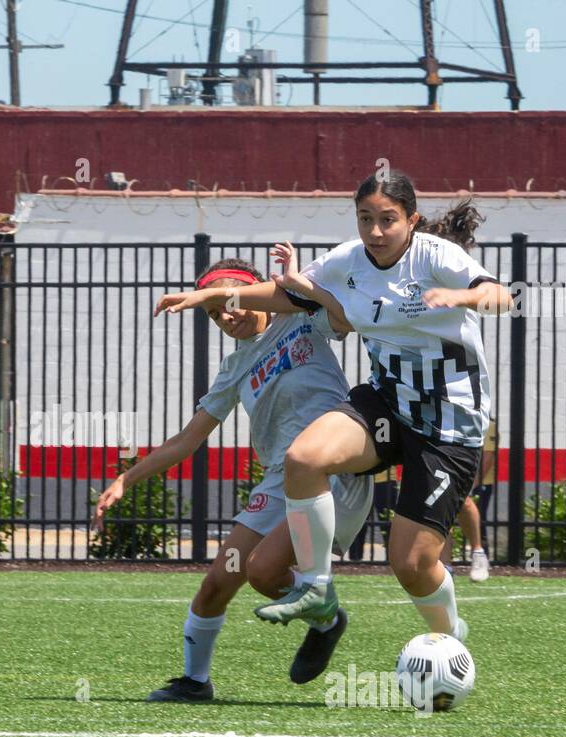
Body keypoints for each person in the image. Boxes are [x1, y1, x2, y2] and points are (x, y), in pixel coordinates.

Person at [156, 171, 511, 677]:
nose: (375, 230)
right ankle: (316, 588)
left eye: (388, 220)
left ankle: (451, 640)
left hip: (446, 421)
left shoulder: (436, 257)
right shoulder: (347, 260)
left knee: (410, 564)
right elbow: (286, 296)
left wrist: (461, 298)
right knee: (306, 457)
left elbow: (502, 296)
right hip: (387, 403)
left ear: (410, 221)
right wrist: (205, 298)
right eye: (366, 218)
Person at [94, 258, 372, 703]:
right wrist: (127, 479)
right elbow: (187, 440)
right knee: (217, 581)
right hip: (279, 482)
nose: (226, 315)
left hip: (330, 470)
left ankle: (327, 619)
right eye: (214, 312)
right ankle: (195, 682)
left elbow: (346, 317)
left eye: (230, 301)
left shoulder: (299, 318)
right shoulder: (233, 369)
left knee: (264, 571)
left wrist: (303, 285)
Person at [457, 419, 499, 582]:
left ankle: (482, 558)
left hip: (481, 483)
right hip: (463, 481)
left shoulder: (489, 425)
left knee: (479, 521)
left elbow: (488, 457)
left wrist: (474, 483)